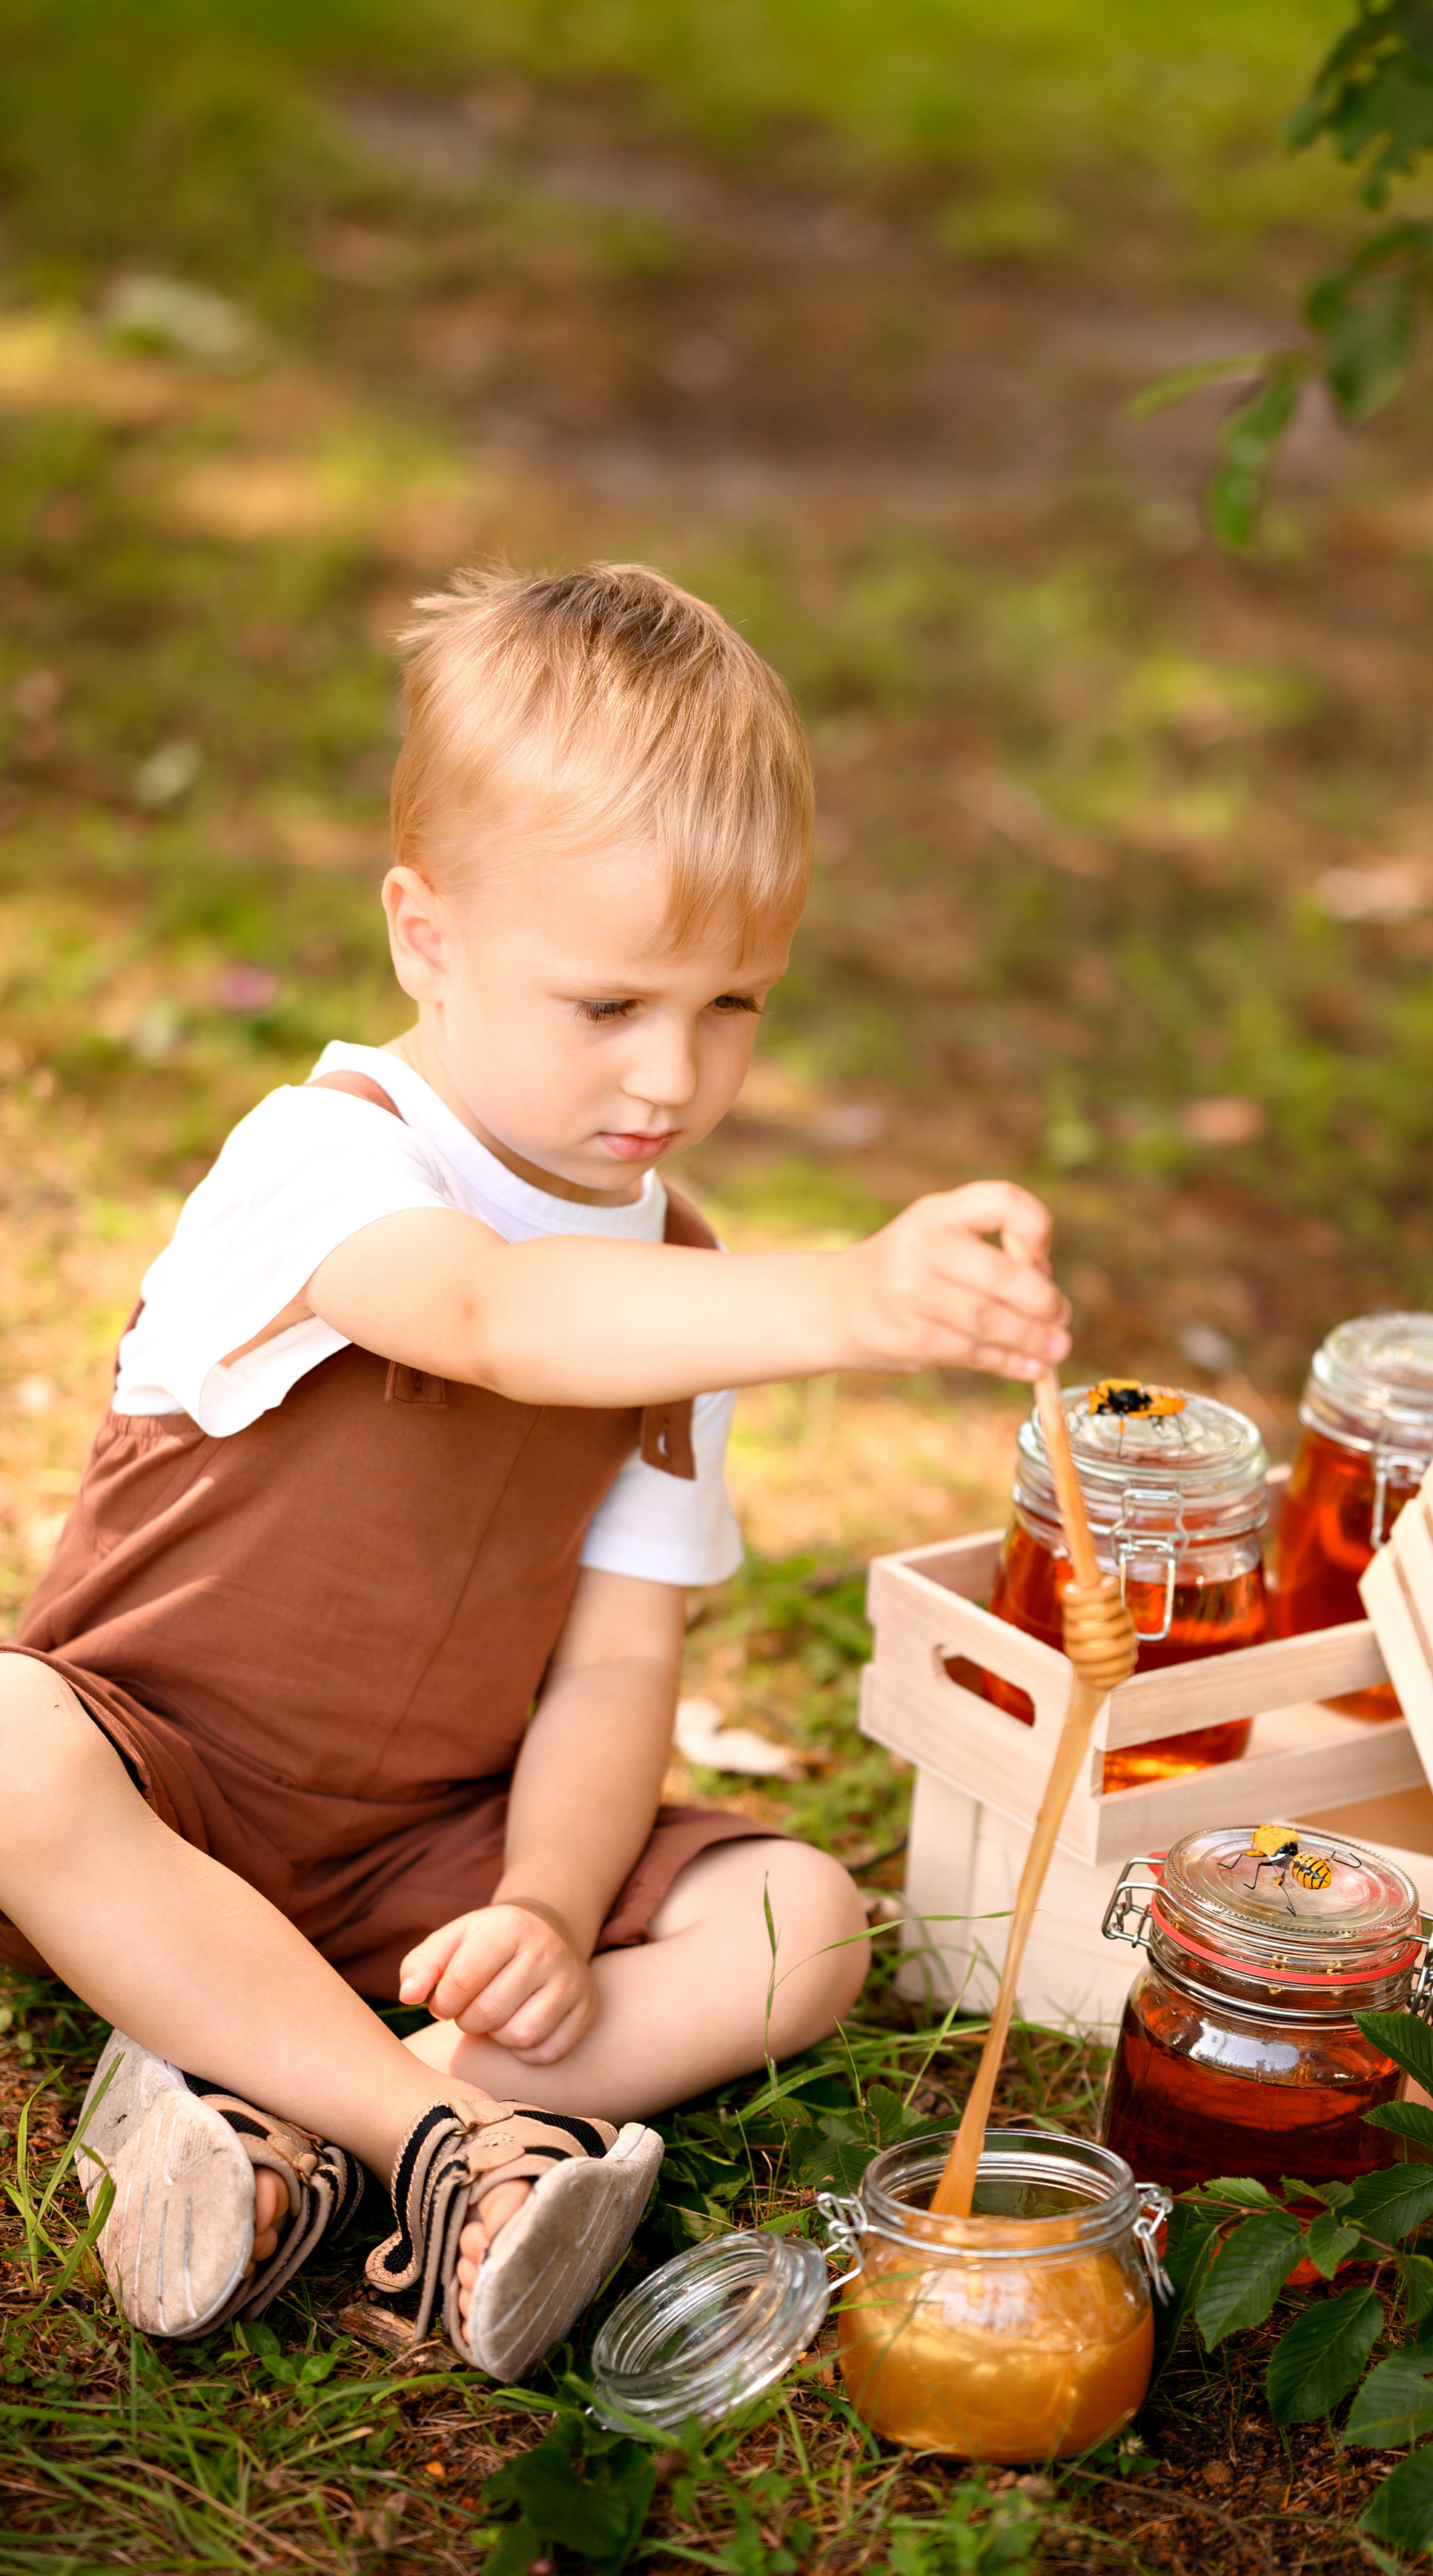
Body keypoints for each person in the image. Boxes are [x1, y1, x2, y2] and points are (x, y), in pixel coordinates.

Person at [0, 562, 1067, 2381]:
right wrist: (855, 1294)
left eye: (735, 1004)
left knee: (797, 1925)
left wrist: (551, 1910)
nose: (674, 1071)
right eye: (607, 1005)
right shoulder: (323, 1163)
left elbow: (613, 1654)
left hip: (434, 1854)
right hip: (161, 1790)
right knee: (6, 1737)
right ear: (424, 935)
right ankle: (433, 2143)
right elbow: (491, 1316)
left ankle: (309, 2135)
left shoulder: (679, 1281)